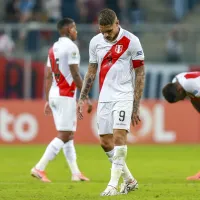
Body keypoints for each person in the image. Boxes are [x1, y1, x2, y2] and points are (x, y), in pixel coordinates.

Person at [77, 8, 145, 196]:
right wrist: (82, 97)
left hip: (124, 95)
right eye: (102, 31)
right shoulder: (95, 42)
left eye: (109, 30)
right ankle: (130, 180)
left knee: (119, 138)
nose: (106, 34)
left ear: (117, 23)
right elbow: (91, 71)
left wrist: (135, 104)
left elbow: (140, 73)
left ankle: (113, 185)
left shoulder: (131, 41)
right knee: (105, 142)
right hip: (105, 97)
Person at [31, 18, 92, 182]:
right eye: (74, 28)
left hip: (54, 94)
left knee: (68, 135)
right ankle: (39, 167)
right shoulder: (71, 47)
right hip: (65, 95)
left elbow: (48, 75)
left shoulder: (53, 48)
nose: (76, 32)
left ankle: (75, 173)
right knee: (65, 134)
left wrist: (47, 100)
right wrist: (85, 95)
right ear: (67, 29)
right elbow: (75, 73)